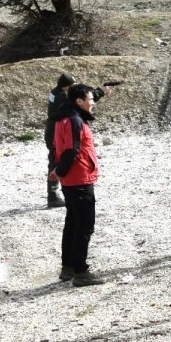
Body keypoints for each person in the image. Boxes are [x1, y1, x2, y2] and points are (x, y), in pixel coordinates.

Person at [50, 84, 106, 287]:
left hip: (71, 179)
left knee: (72, 224)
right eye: (91, 99)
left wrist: (58, 171)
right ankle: (81, 272)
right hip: (79, 178)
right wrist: (61, 171)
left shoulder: (62, 118)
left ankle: (68, 267)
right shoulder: (74, 120)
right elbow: (71, 151)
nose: (93, 103)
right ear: (79, 101)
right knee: (84, 226)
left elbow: (59, 148)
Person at [46, 74, 110, 208]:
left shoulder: (55, 92)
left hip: (52, 129)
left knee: (57, 159)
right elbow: (81, 99)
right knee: (61, 159)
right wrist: (100, 92)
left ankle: (55, 193)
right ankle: (54, 195)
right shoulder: (63, 97)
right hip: (57, 131)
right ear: (66, 86)